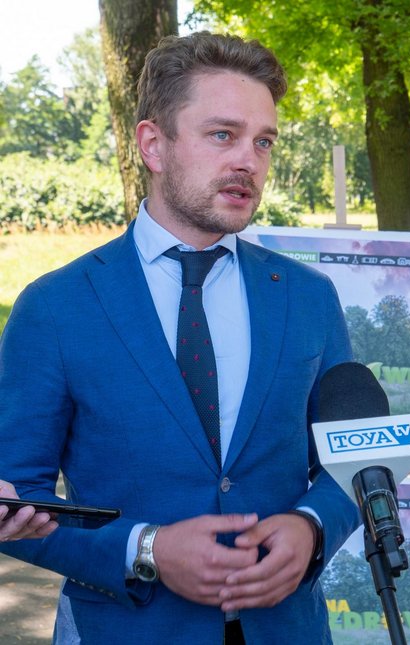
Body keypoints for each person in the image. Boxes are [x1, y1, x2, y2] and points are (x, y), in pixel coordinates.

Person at [0, 32, 359, 644]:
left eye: (264, 141)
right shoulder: (55, 306)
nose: (249, 159)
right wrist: (148, 550)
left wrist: (311, 526)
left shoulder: (308, 297)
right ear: (153, 144)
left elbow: (354, 457)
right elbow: (18, 499)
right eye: (223, 135)